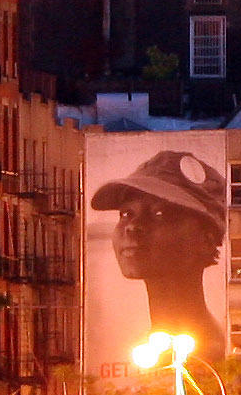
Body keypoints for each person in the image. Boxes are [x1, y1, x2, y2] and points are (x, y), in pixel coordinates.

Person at [91, 146, 229, 375]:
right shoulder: (151, 348)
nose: (133, 227)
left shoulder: (207, 351)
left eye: (160, 214)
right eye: (126, 213)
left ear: (207, 238)